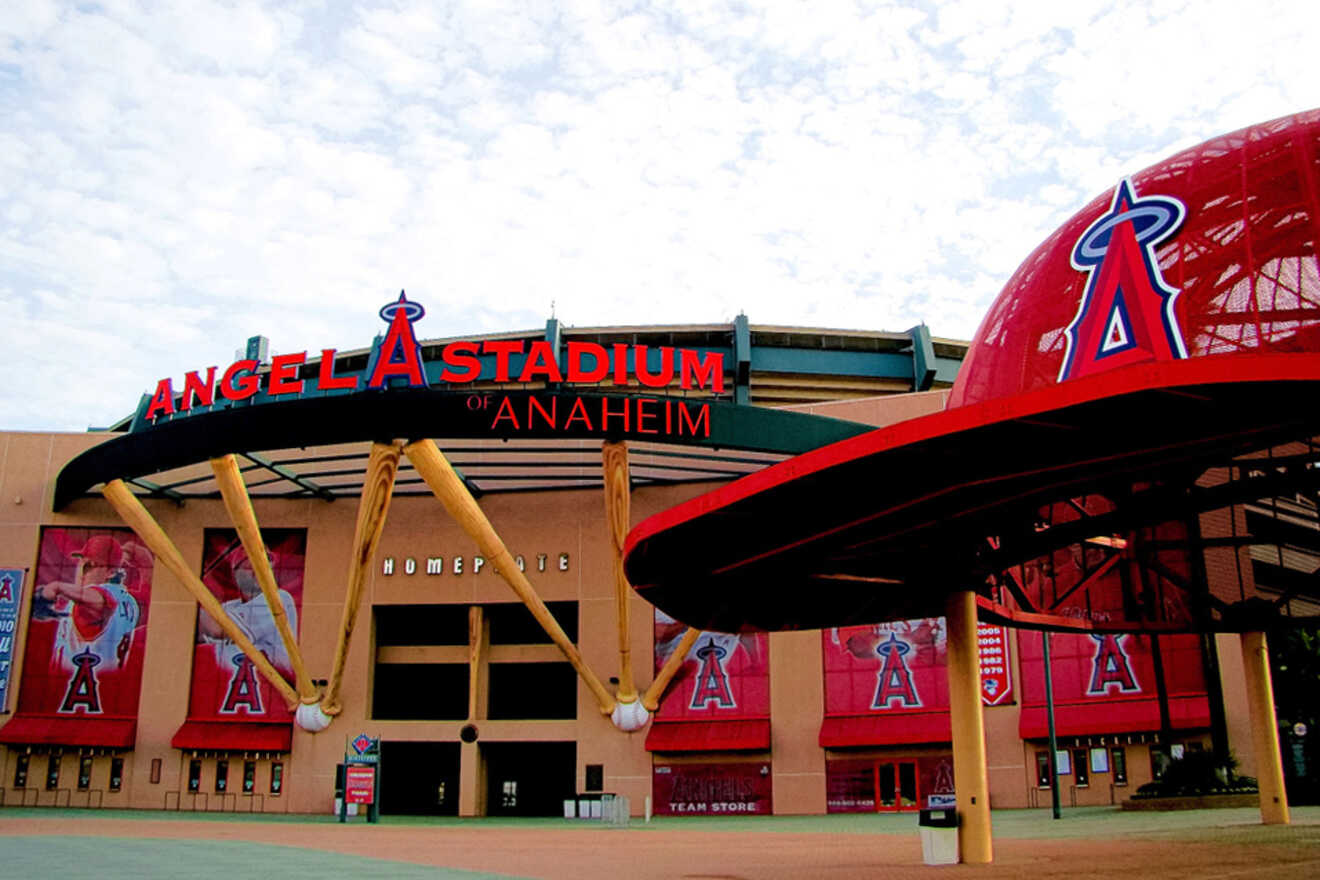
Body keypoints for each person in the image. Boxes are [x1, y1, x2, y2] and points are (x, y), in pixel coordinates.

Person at [35, 534, 141, 673]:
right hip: (109, 682)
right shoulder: (129, 600)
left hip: (79, 688)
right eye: (81, 563)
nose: (81, 571)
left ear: (111, 572)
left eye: (89, 565)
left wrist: (55, 587)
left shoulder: (97, 596)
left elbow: (99, 600)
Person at [197, 549, 298, 679]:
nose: (259, 572)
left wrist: (196, 604)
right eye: (251, 567)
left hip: (273, 688)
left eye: (264, 567)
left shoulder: (279, 598)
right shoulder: (230, 607)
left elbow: (218, 629)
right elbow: (200, 634)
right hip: (233, 687)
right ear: (236, 573)